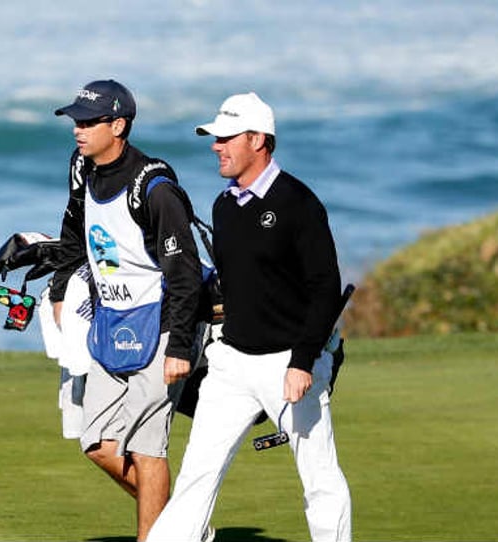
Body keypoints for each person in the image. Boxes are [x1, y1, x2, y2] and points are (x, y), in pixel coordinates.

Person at [149, 92, 352, 541]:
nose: (215, 146)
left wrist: (303, 361)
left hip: (289, 364)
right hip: (231, 363)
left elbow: (325, 289)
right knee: (196, 477)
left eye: (226, 137)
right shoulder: (225, 206)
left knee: (319, 478)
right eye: (214, 138)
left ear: (258, 139)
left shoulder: (299, 203)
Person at [48, 79, 203, 541]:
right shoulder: (82, 166)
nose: (78, 129)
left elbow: (184, 274)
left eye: (88, 121)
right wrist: (60, 287)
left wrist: (179, 345)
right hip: (109, 322)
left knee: (147, 449)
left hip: (159, 326)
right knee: (97, 443)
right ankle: (183, 525)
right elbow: (74, 226)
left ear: (118, 125)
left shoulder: (154, 188)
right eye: (75, 120)